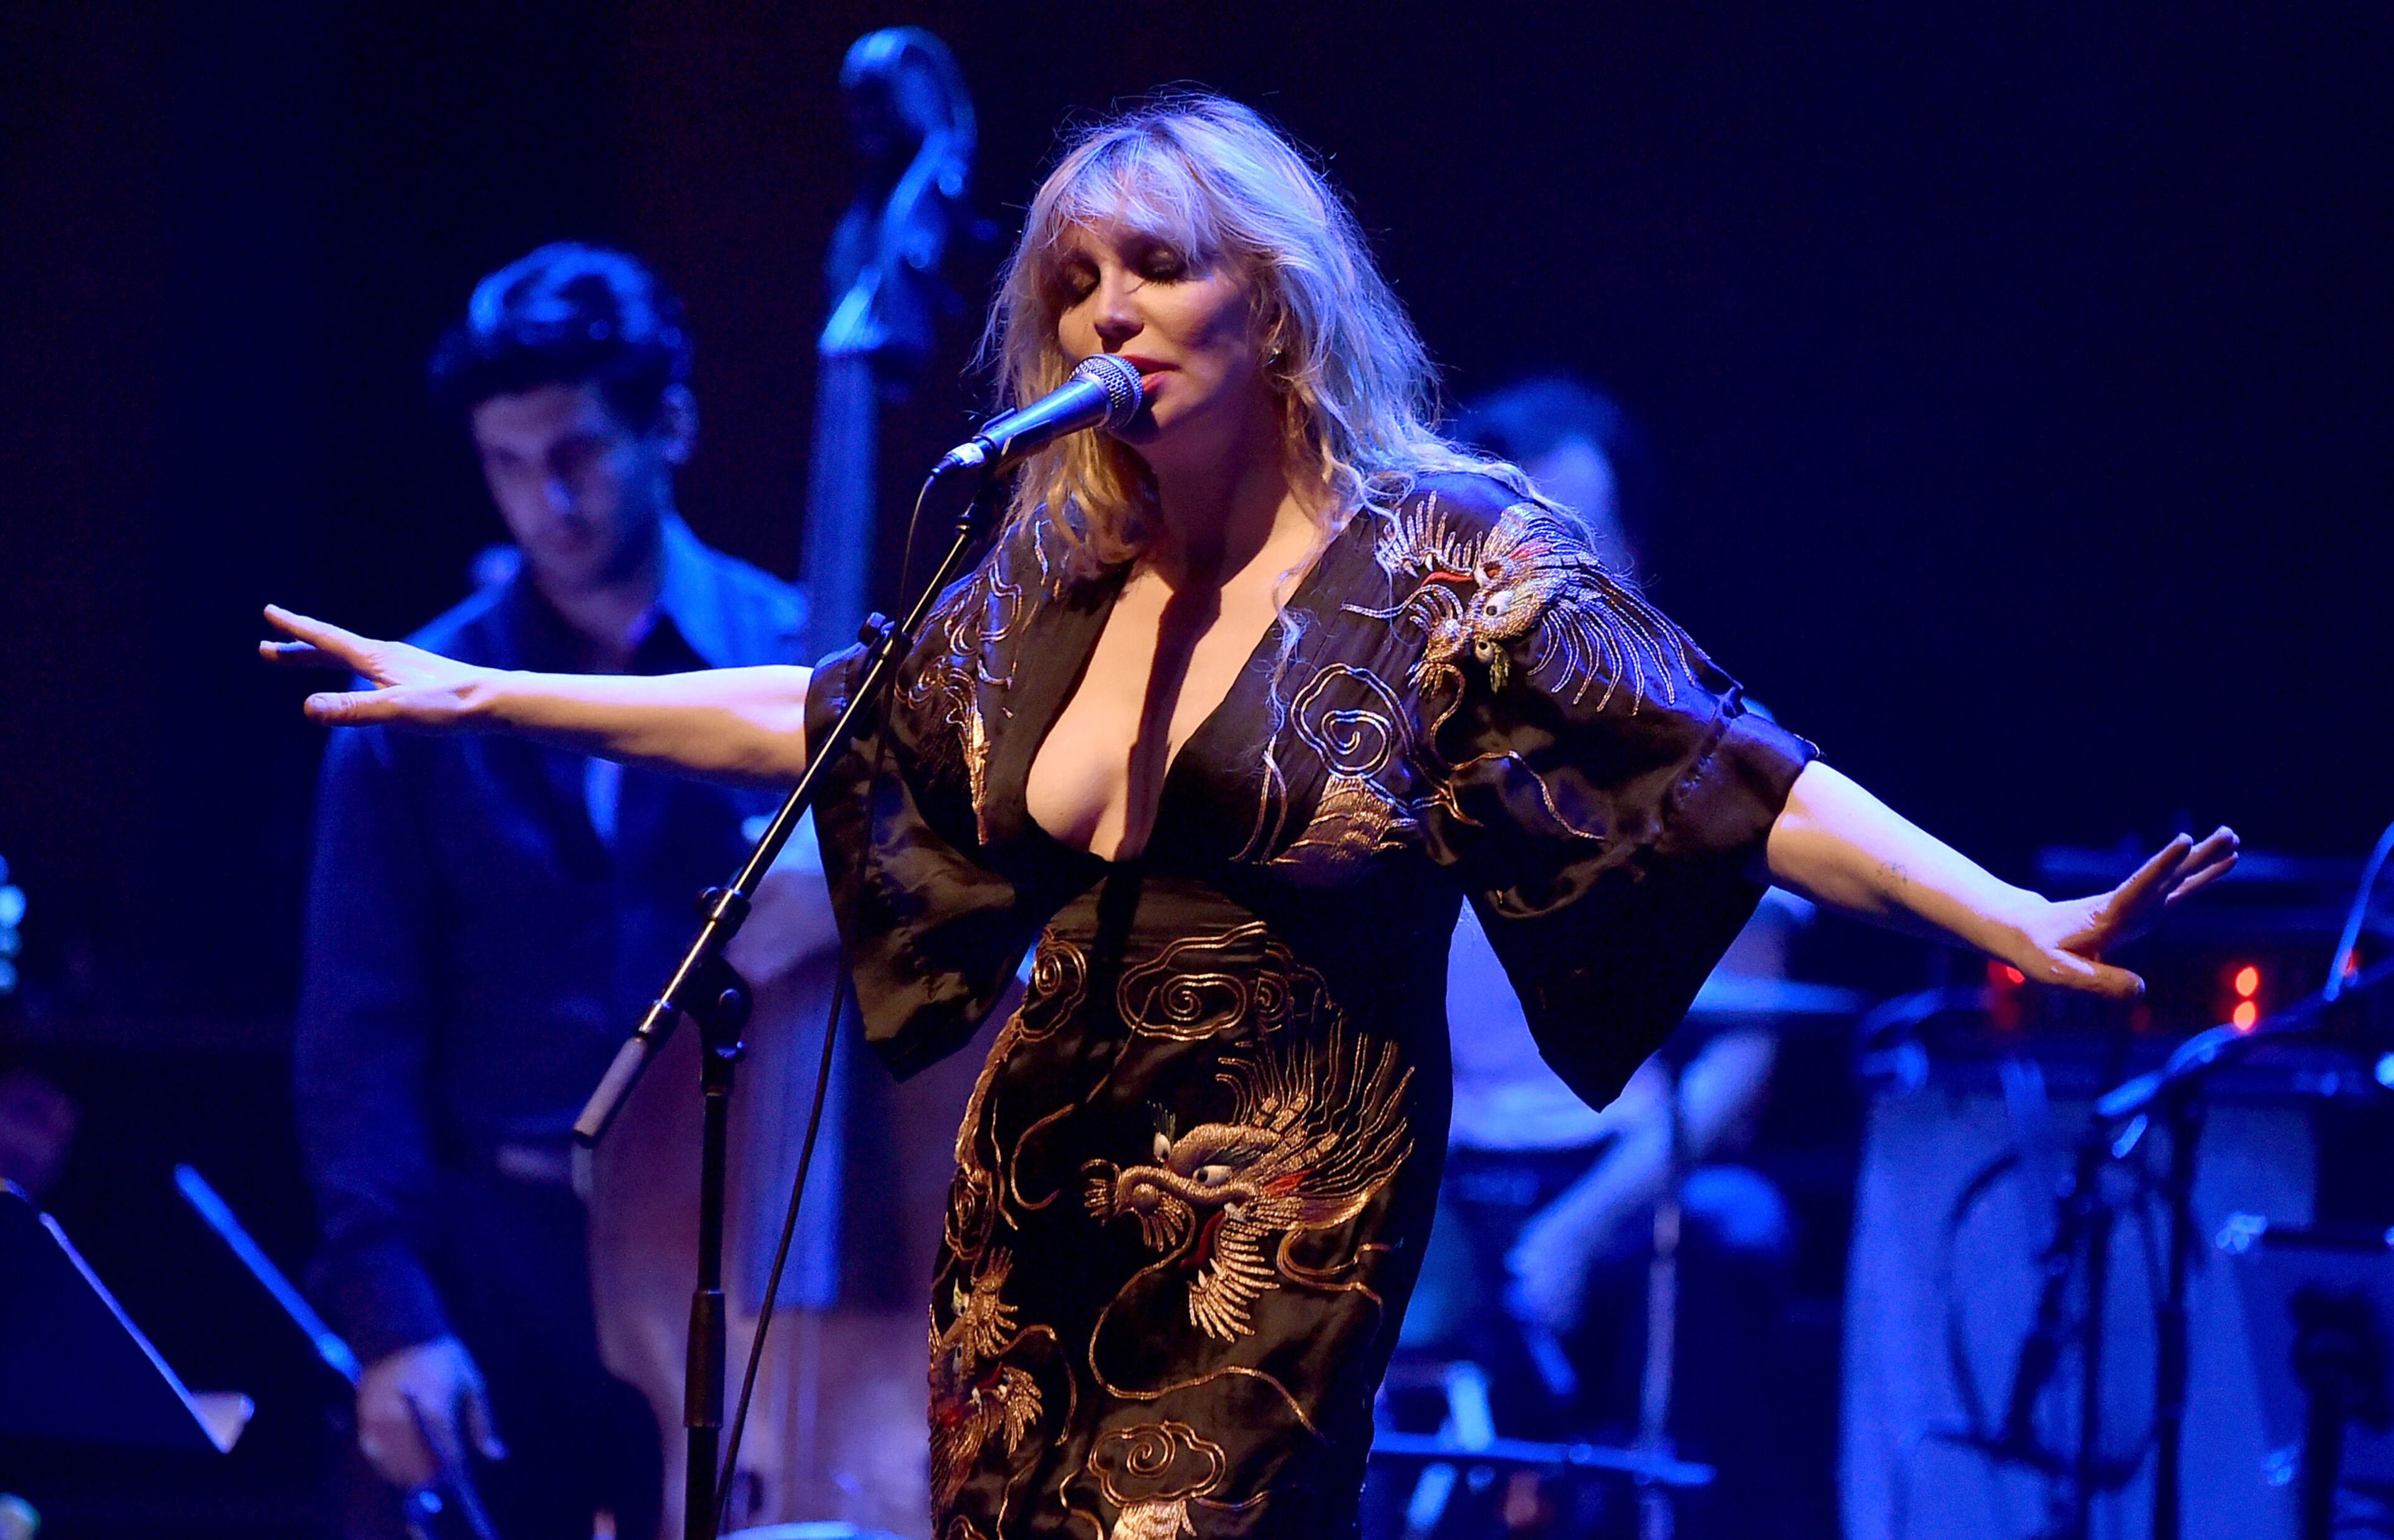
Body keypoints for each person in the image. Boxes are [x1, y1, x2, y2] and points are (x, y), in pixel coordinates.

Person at [264, 99, 2236, 1540]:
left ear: (1276, 303)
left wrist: (2005, 912)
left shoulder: (1443, 553)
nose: (1107, 305)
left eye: (1158, 264)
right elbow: (822, 712)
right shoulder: (1062, 571)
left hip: (1274, 1230)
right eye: (1075, 279)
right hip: (1027, 1218)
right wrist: (489, 687)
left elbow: (1727, 769)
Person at [290, 243, 813, 1540]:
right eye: (510, 466)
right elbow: (359, 1036)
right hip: (493, 1253)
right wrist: (394, 1317)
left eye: (577, 453)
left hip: (734, 1265)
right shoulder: (416, 699)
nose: (550, 504)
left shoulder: (796, 665)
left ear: (669, 425)